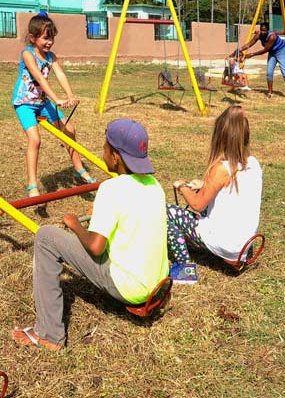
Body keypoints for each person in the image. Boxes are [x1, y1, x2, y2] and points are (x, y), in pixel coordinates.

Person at [12, 118, 169, 350]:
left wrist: (75, 225)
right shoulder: (154, 185)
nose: (103, 152)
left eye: (105, 147)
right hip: (158, 284)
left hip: (130, 289)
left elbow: (96, 247)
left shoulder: (111, 188)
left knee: (46, 236)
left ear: (115, 156)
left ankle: (49, 333)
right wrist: (99, 215)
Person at [12, 13, 96, 200]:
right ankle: (32, 185)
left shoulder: (52, 57)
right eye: (45, 38)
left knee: (70, 129)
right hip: (25, 103)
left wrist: (70, 94)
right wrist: (57, 99)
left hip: (42, 103)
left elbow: (60, 75)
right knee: (35, 139)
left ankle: (78, 170)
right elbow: (39, 77)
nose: (49, 42)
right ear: (33, 38)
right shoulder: (28, 53)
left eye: (51, 38)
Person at [166, 105, 262, 268]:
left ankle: (185, 270)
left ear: (220, 138)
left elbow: (197, 204)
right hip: (243, 245)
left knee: (167, 212)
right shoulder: (253, 164)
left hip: (226, 244)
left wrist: (182, 186)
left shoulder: (220, 169)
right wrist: (204, 185)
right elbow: (232, 193)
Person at [238, 22, 285, 99]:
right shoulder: (259, 35)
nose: (263, 32)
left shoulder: (272, 36)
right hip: (272, 53)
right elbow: (249, 44)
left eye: (264, 31)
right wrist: (240, 49)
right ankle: (270, 92)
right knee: (269, 73)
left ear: (268, 30)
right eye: (261, 30)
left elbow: (265, 50)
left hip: (281, 52)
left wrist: (252, 54)